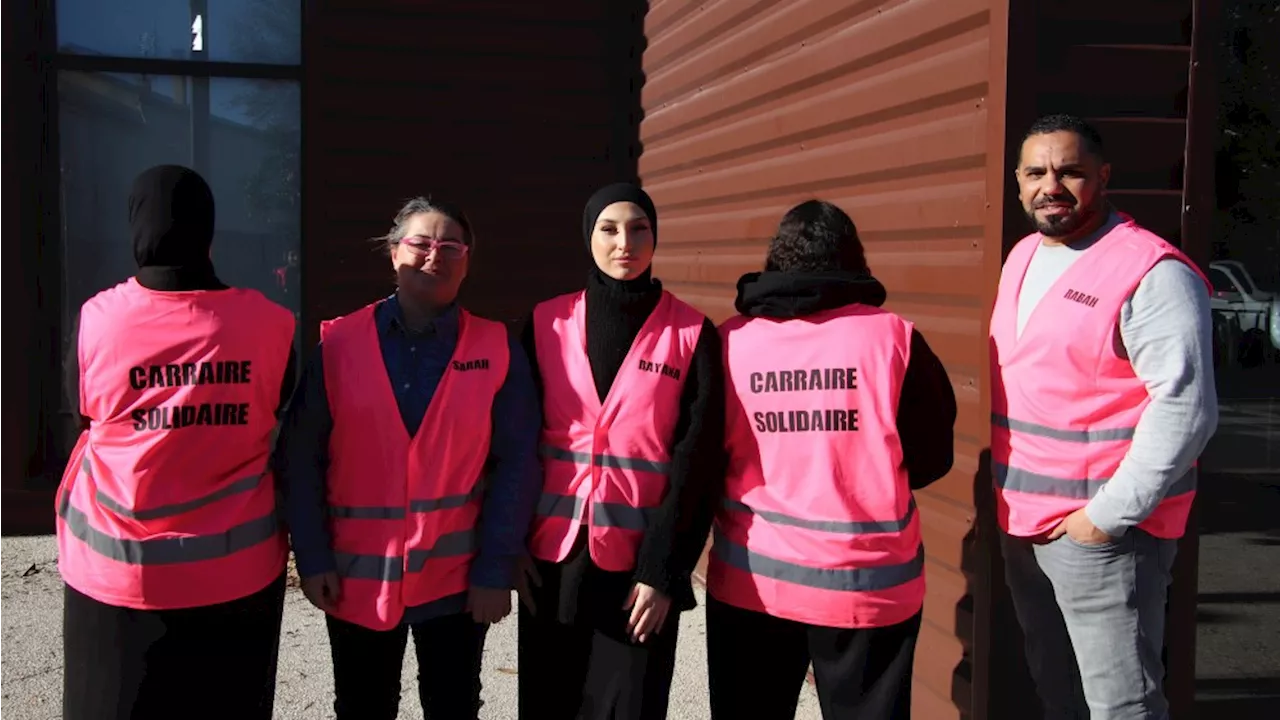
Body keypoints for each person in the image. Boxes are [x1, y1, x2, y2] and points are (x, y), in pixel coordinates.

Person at [274, 196, 541, 720]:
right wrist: (313, 556)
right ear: (394, 252)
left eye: (450, 246)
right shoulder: (341, 342)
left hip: (458, 581)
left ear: (467, 260)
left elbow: (518, 464)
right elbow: (300, 455)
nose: (433, 256)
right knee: (362, 705)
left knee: (453, 704)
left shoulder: (497, 346)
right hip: (354, 576)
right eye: (420, 243)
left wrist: (495, 569)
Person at [991, 114, 1218, 720]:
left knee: (1123, 706)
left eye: (1070, 171)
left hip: (1104, 533)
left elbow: (1188, 408)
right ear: (1018, 181)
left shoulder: (1151, 271)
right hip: (1026, 523)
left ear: (1103, 176)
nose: (1051, 186)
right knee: (1056, 691)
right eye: (1036, 172)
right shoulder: (1023, 257)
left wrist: (1105, 518)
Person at [57, 164, 298, 720]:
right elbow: (276, 412)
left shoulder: (99, 320)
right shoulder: (271, 322)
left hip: (119, 571)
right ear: (210, 233)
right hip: (239, 574)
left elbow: (82, 417)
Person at [706, 199, 957, 719]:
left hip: (755, 583)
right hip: (867, 587)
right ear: (853, 258)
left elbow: (702, 459)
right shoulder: (895, 340)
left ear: (776, 258)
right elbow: (932, 457)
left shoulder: (730, 342)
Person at [515, 182, 725, 720]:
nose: (624, 242)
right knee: (549, 702)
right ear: (589, 236)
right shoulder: (544, 324)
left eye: (639, 228)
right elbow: (513, 446)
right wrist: (509, 546)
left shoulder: (691, 333)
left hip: (639, 571)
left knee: (629, 707)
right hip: (553, 560)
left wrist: (664, 572)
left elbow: (695, 465)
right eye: (608, 229)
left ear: (656, 238)